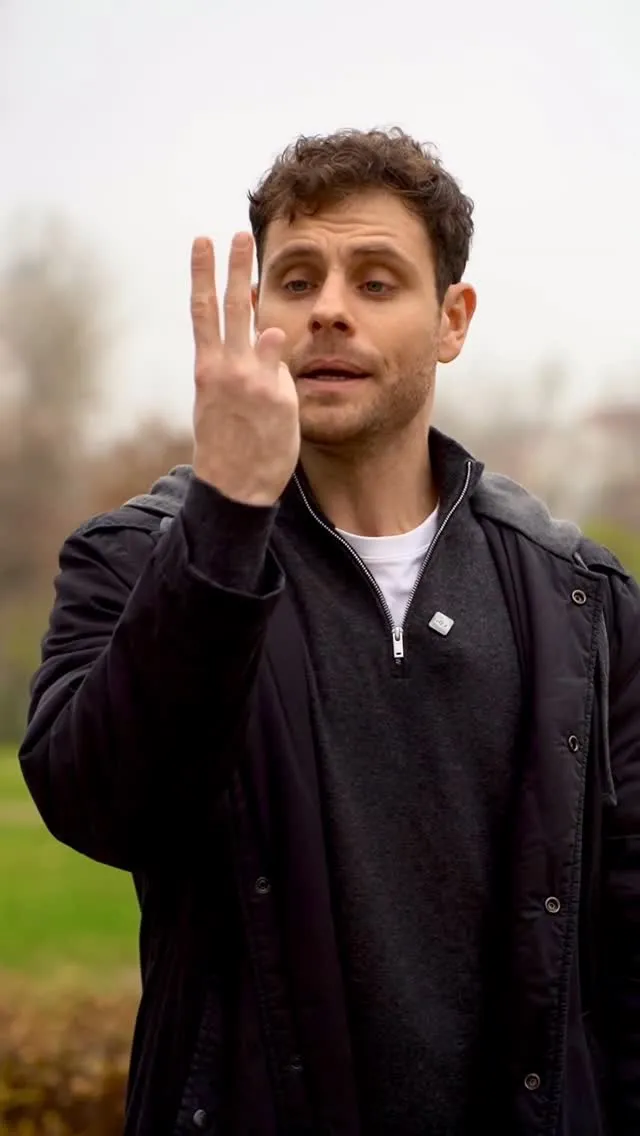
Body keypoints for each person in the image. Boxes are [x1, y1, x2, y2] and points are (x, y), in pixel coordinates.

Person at [19, 127, 640, 1136]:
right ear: (261, 309)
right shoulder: (138, 559)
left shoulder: (580, 597)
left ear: (452, 321)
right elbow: (102, 808)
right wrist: (225, 517)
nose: (329, 310)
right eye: (297, 279)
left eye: (377, 281)